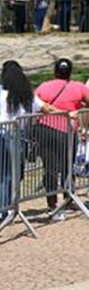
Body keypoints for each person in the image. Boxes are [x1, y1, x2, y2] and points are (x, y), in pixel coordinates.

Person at [0, 61, 60, 217]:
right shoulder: (28, 96)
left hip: (1, 134)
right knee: (14, 173)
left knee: (5, 173)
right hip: (17, 137)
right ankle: (5, 206)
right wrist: (66, 113)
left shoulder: (1, 93)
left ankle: (4, 206)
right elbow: (47, 108)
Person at [35, 58, 89, 220]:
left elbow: (35, 103)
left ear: (55, 71)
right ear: (70, 72)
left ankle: (52, 204)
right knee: (67, 166)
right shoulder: (78, 87)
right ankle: (67, 197)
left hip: (45, 129)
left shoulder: (44, 86)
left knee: (50, 168)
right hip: (67, 130)